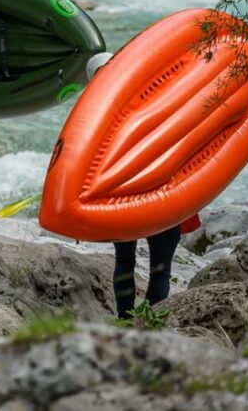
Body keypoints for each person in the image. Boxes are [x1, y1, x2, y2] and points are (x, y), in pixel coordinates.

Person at [85, 51, 183, 318]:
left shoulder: (91, 121)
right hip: (163, 194)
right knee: (161, 269)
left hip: (122, 201)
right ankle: (149, 327)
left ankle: (126, 322)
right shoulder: (153, 103)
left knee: (125, 262)